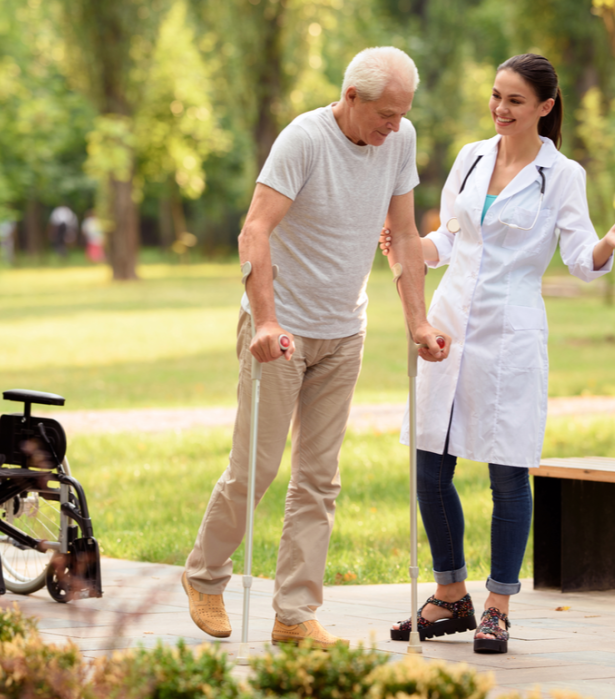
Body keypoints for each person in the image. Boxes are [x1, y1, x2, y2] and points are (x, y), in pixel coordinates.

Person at [182, 46, 450, 649]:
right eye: (385, 113)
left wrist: (418, 323)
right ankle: (204, 575)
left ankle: (294, 613)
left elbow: (404, 237)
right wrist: (267, 321)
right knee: (257, 468)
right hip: (281, 331)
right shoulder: (303, 139)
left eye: (403, 114)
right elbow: (256, 228)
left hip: (344, 330)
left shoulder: (398, 140)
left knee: (319, 478)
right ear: (351, 97)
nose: (395, 126)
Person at [380, 53, 615, 654]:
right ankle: (450, 595)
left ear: (545, 108)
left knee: (507, 471)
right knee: (429, 464)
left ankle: (498, 605)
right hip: (448, 324)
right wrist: (410, 245)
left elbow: (581, 258)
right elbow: (448, 237)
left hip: (511, 333)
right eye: (496, 96)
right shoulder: (472, 156)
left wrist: (607, 242)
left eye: (515, 101)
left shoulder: (562, 175)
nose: (500, 109)